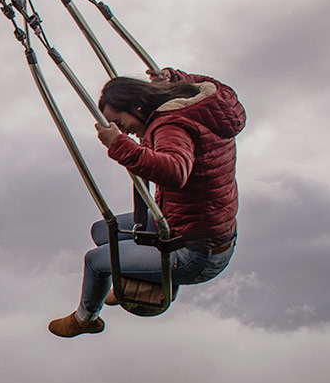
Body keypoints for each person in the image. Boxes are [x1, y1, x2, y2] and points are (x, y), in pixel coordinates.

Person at [49, 67, 247, 337]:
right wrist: (173, 77)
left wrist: (118, 145)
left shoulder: (169, 125)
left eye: (119, 121)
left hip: (197, 254)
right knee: (101, 230)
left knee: (95, 261)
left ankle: (86, 319)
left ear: (137, 105)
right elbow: (213, 85)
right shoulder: (200, 107)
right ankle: (141, 270)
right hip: (197, 227)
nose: (123, 130)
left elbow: (175, 171)